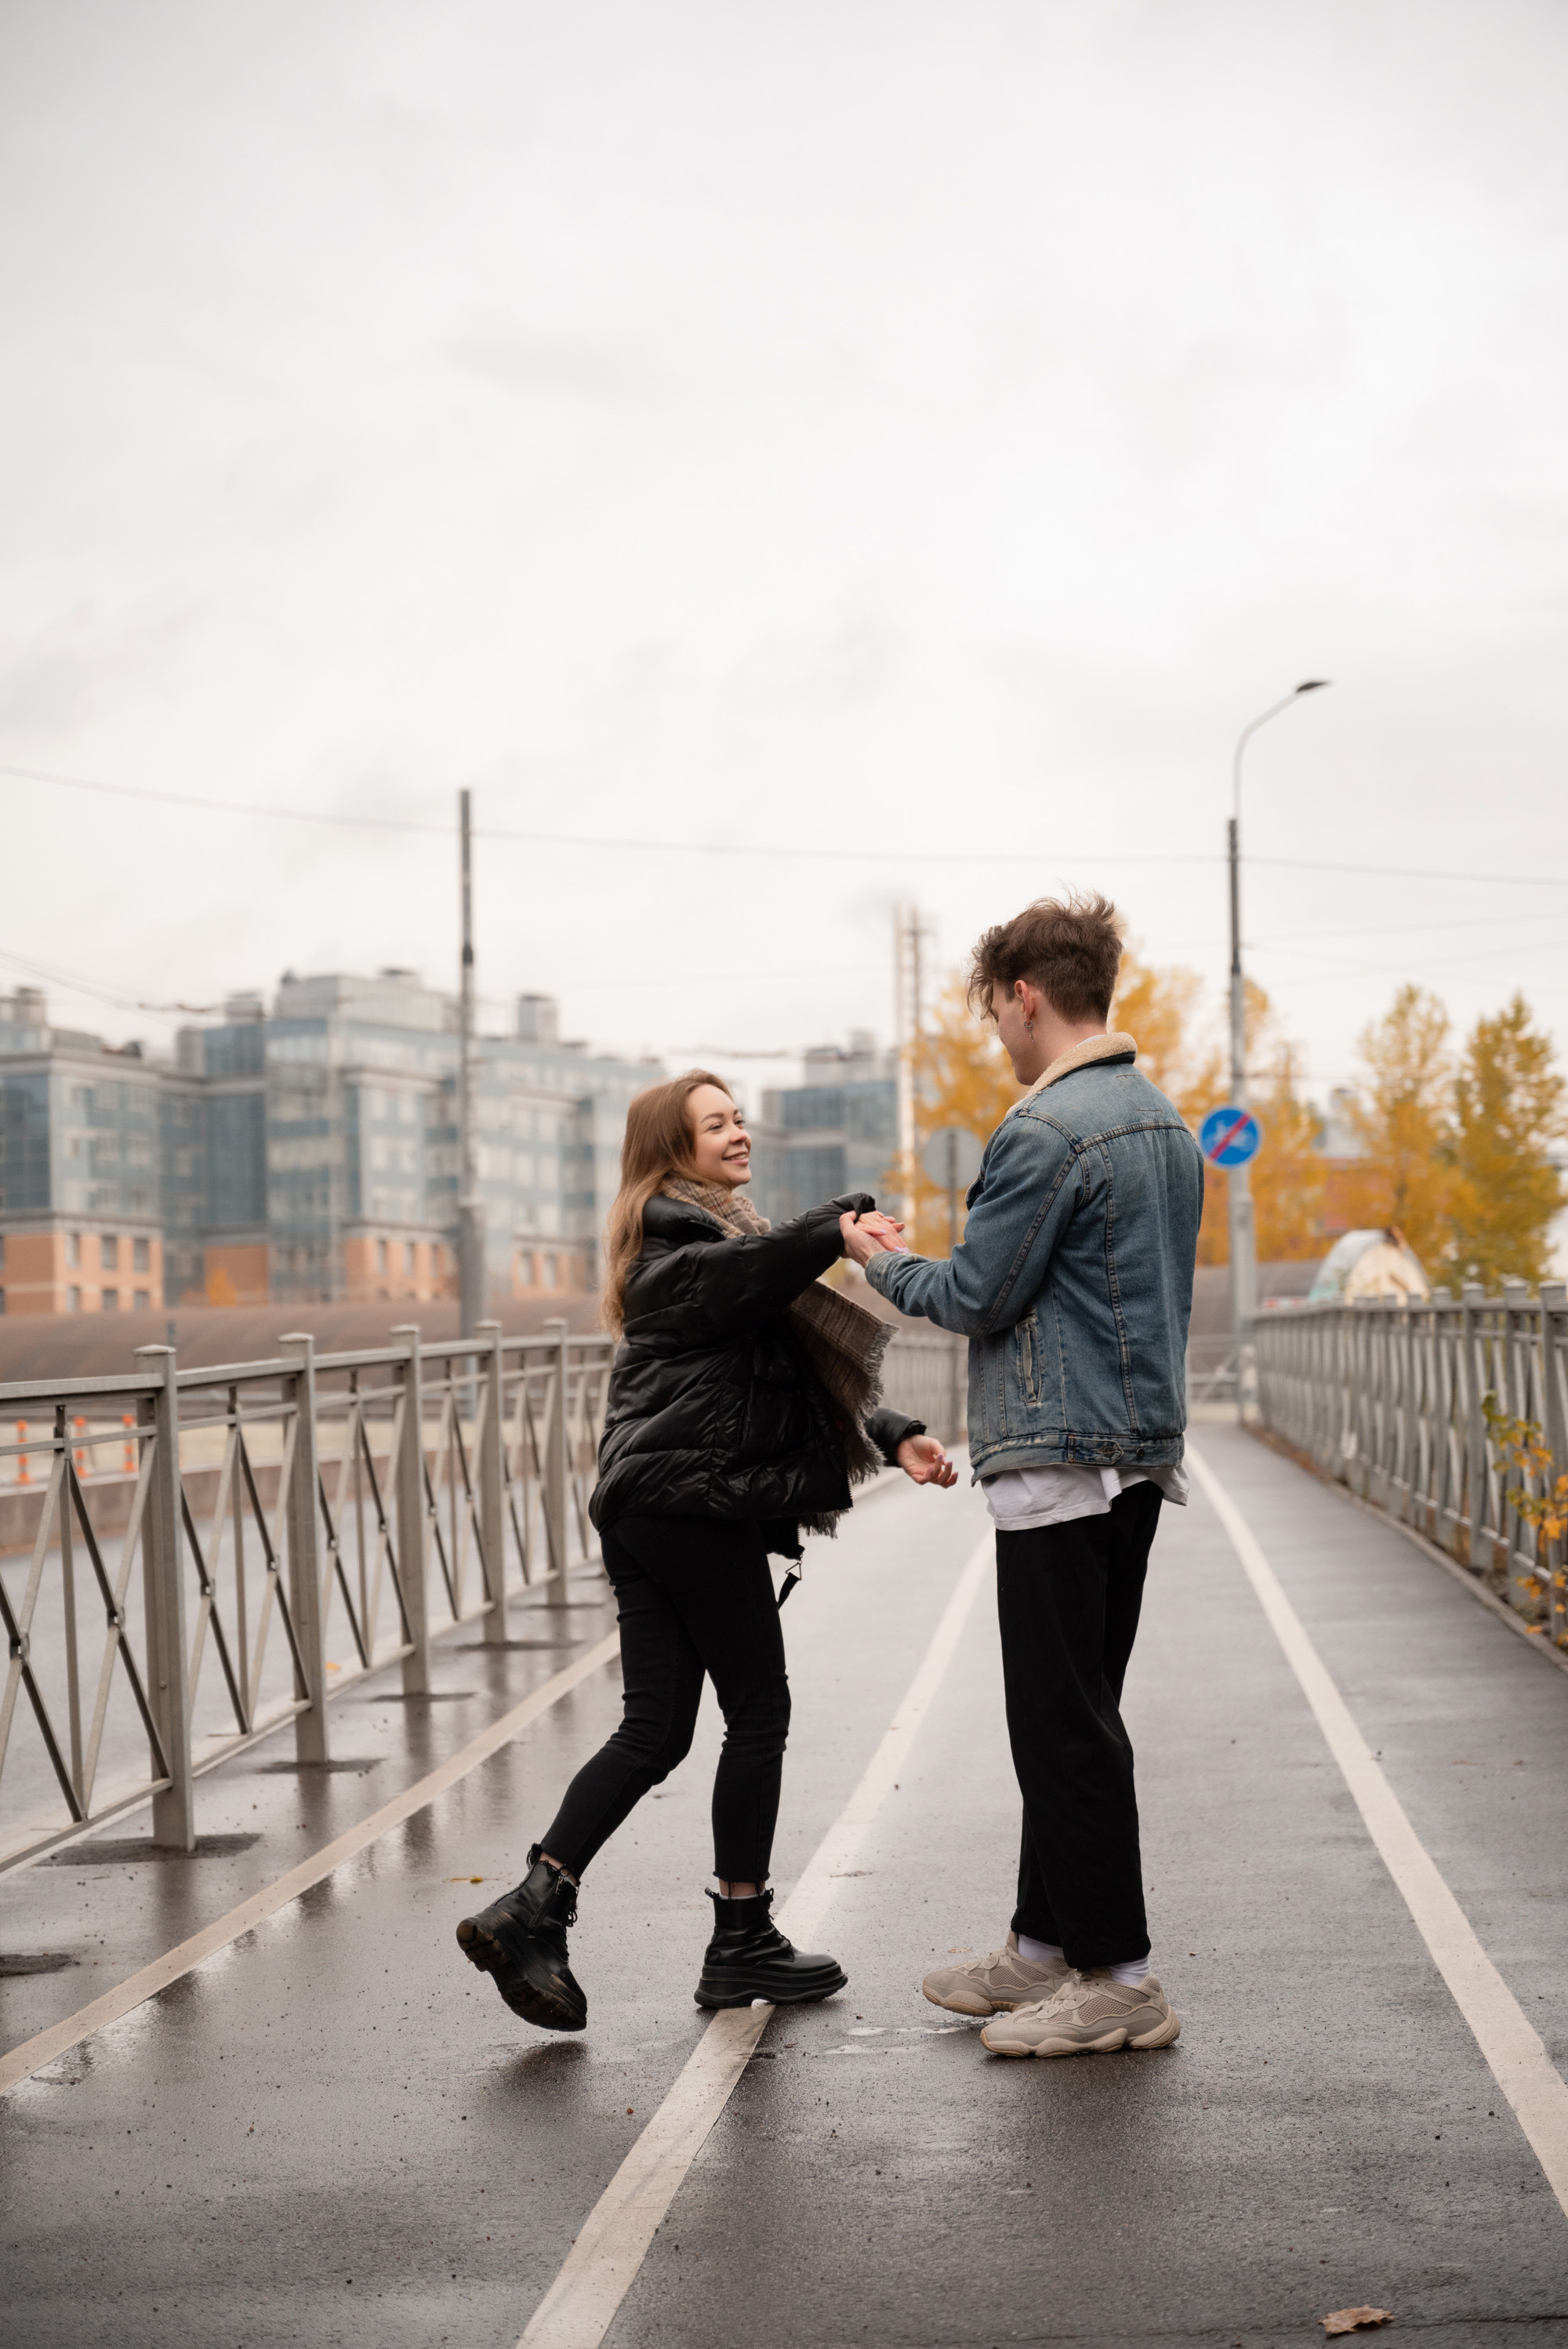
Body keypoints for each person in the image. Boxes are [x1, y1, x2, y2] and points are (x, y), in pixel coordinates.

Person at [457, 1068, 956, 2033]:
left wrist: (890, 1430)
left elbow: (790, 1374)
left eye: (738, 1118)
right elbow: (742, 1283)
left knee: (656, 1729)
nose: (737, 1134)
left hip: (656, 1502)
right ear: (669, 1150)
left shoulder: (725, 1236)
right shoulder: (671, 1247)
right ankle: (740, 1935)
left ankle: (532, 1904)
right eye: (713, 1124)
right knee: (757, 1710)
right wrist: (830, 1227)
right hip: (684, 1504)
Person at [842, 894, 1203, 2060]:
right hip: (1138, 1457)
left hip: (1057, 1457)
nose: (998, 1030)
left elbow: (976, 1297)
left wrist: (879, 1262)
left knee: (1060, 1724)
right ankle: (1044, 1950)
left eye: (997, 1009)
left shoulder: (1046, 1132)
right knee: (1080, 1707)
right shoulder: (1162, 1123)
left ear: (1023, 996)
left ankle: (1121, 1977)